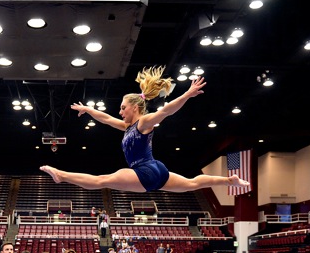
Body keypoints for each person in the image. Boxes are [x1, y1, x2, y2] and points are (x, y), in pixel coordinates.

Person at [40, 67, 249, 193]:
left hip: (144, 171)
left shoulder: (144, 123)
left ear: (135, 107)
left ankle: (61, 175)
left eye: (123, 108)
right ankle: (228, 180)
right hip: (157, 170)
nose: (120, 112)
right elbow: (105, 119)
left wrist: (186, 95)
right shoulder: (127, 126)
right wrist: (87, 109)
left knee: (101, 180)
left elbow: (166, 111)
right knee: (192, 184)